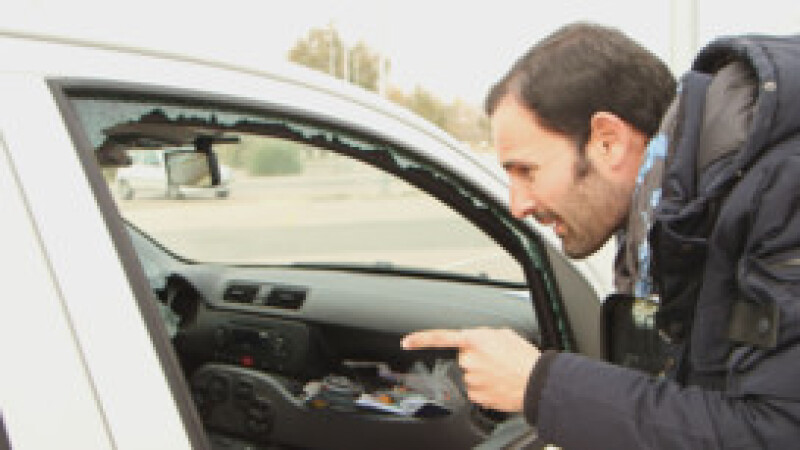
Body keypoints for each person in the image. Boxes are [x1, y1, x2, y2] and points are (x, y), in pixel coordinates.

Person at [402, 22, 800, 448]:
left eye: (527, 171)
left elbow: (778, 432)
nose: (518, 205)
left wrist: (542, 386)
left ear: (608, 142)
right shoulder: (661, 227)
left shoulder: (781, 196)